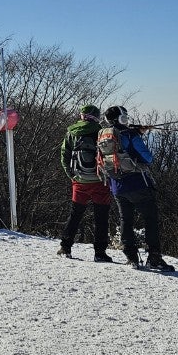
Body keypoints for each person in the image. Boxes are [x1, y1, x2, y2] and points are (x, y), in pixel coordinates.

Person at [98, 106, 174, 272]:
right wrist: (137, 136)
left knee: (126, 219)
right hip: (138, 183)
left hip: (116, 185)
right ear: (122, 118)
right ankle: (154, 257)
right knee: (150, 219)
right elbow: (147, 157)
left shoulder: (103, 135)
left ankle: (131, 257)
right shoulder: (129, 134)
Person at [57, 104, 113, 262]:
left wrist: (72, 175)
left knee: (75, 214)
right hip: (99, 181)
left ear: (82, 115)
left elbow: (64, 155)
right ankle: (100, 253)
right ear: (96, 116)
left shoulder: (71, 132)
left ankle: (65, 247)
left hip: (79, 181)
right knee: (101, 217)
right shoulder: (100, 131)